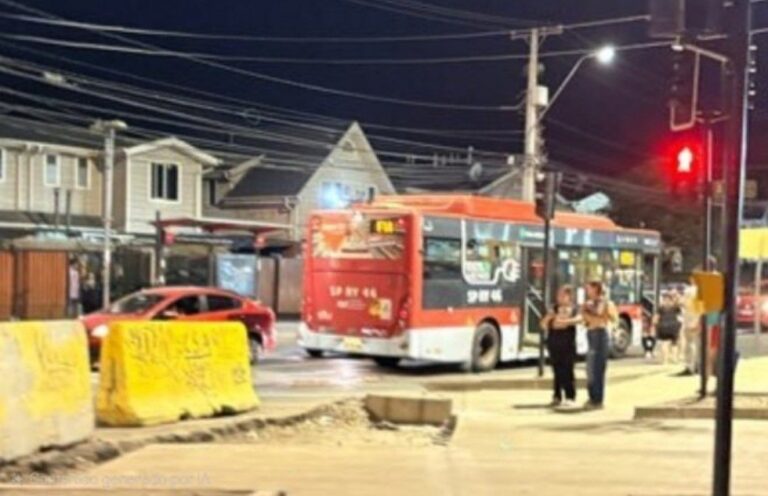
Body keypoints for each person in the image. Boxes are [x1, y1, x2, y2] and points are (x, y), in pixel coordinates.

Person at [540, 285, 581, 409]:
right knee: (556, 371)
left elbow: (579, 319)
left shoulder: (575, 309)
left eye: (563, 295)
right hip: (554, 343)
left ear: (569, 296)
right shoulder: (553, 308)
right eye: (559, 295)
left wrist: (565, 321)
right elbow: (543, 325)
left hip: (568, 344)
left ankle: (570, 396)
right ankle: (557, 396)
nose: (560, 298)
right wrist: (549, 317)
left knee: (568, 370)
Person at [581, 281, 618, 410]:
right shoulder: (588, 304)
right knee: (590, 369)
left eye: (589, 288)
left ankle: (597, 400)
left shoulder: (605, 302)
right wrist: (592, 317)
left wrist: (596, 317)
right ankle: (592, 397)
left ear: (596, 288)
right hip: (591, 334)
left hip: (600, 334)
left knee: (597, 369)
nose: (587, 291)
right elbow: (586, 319)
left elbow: (608, 319)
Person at [654, 292, 683, 365]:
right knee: (674, 343)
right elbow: (680, 317)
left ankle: (665, 360)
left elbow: (655, 318)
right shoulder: (675, 307)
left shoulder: (660, 308)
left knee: (664, 343)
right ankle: (674, 359)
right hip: (673, 327)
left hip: (663, 326)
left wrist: (655, 325)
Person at [680, 285, 703, 376]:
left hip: (691, 323)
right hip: (693, 323)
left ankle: (691, 366)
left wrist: (696, 323)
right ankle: (696, 365)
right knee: (696, 345)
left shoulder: (692, 300)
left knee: (691, 345)